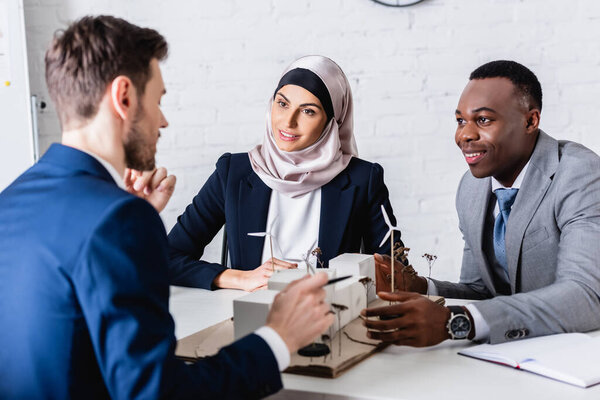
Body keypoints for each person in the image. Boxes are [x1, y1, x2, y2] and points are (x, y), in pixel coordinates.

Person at [0, 15, 334, 399]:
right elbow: (158, 393)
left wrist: (131, 221)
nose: (163, 121)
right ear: (124, 97)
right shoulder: (118, 220)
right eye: (157, 100)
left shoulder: (10, 200)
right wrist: (278, 338)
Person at [363, 60, 600, 346]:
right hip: (514, 351)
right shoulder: (471, 188)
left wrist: (456, 321)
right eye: (461, 120)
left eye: (484, 120)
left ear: (530, 121)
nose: (464, 135)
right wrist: (422, 287)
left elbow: (586, 295)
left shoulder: (579, 173)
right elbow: (483, 291)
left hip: (579, 351)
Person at [168, 55, 403, 292]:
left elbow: (396, 274)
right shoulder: (233, 173)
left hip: (330, 318)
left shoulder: (363, 179)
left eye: (308, 111)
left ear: (333, 121)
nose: (288, 122)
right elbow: (167, 257)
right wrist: (242, 278)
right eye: (282, 104)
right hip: (246, 316)